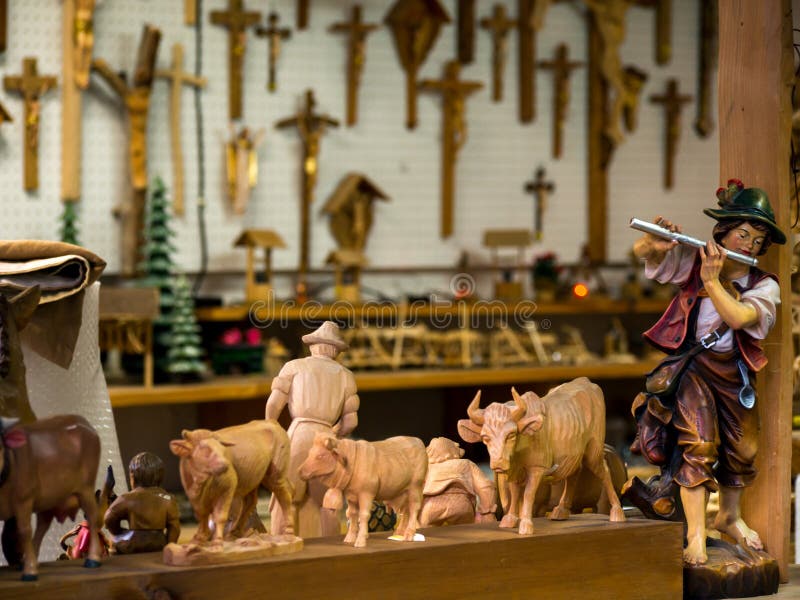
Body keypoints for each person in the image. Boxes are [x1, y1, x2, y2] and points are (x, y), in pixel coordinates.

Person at [630, 179, 785, 565]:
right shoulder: (695, 262)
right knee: (698, 446)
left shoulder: (763, 286)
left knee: (743, 450)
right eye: (742, 234)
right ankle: (696, 536)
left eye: (756, 240)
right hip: (694, 370)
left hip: (735, 375)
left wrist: (714, 281)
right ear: (723, 232)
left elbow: (738, 316)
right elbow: (643, 253)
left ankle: (729, 516)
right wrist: (656, 243)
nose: (748, 245)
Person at [265, 321, 359, 538]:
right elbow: (351, 422)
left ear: (313, 345)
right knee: (327, 502)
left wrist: (272, 429)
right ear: (335, 349)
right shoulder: (346, 375)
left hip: (298, 432)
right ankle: (330, 546)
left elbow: (273, 404)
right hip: (326, 438)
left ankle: (281, 540)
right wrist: (335, 434)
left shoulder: (294, 366)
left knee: (285, 495)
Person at [104, 452, 180, 554]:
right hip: (159, 544)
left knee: (113, 542)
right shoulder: (168, 499)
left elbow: (108, 518)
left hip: (132, 545)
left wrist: (118, 532)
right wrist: (170, 545)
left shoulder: (126, 498)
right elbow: (174, 527)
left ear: (133, 476)